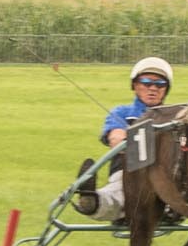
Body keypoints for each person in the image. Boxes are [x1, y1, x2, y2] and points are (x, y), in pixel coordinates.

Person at [71, 57, 174, 220]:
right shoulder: (122, 113)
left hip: (164, 177)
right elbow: (116, 137)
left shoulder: (174, 117)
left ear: (166, 89)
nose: (153, 88)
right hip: (128, 174)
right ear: (135, 86)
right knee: (119, 195)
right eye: (146, 82)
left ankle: (169, 208)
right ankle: (91, 200)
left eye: (160, 84)